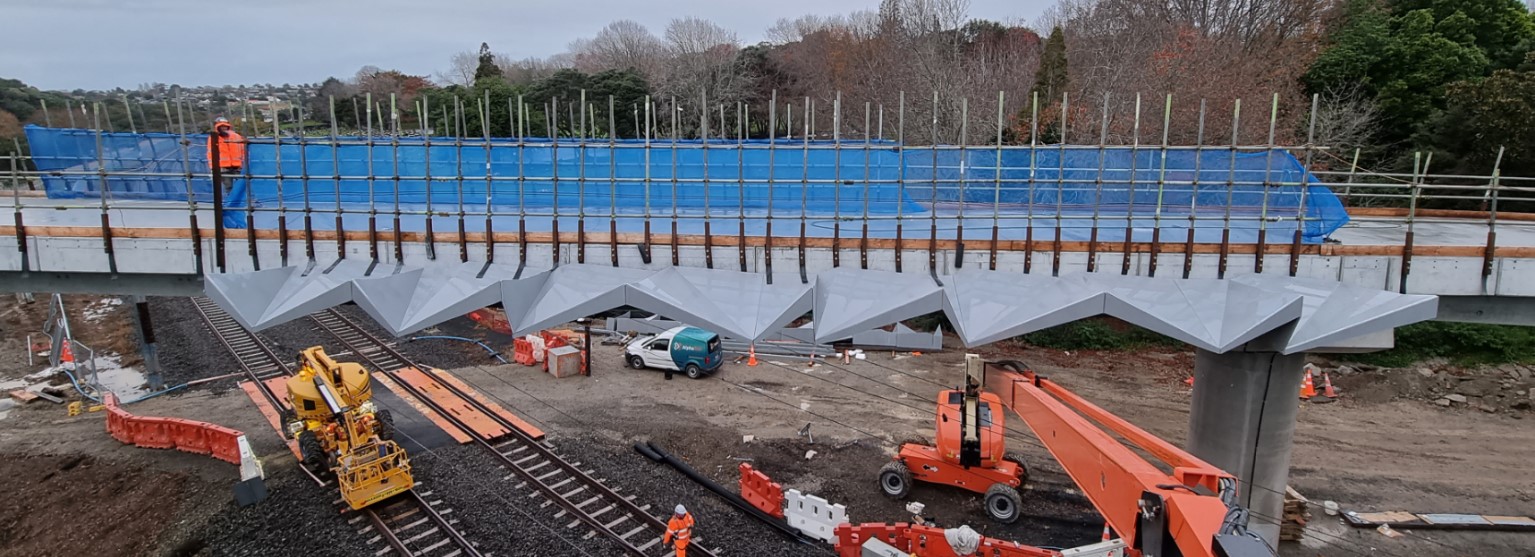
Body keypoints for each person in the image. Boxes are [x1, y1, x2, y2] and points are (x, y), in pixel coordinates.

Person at [206, 117, 246, 193]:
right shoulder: (213, 138)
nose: (223, 128)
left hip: (237, 166)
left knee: (242, 185)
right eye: (221, 126)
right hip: (223, 167)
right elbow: (210, 153)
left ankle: (246, 201)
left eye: (225, 126)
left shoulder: (236, 136)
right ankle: (233, 202)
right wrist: (213, 168)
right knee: (229, 186)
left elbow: (242, 150)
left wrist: (242, 163)